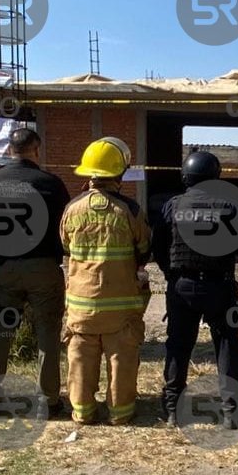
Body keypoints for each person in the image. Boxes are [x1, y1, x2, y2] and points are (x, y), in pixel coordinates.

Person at [0, 127, 72, 415]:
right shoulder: (51, 183)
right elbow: (64, 227)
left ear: (9, 149)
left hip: (5, 267)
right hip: (43, 266)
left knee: (1, 331)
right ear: (37, 149)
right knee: (47, 333)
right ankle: (48, 402)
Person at [153, 150, 238, 428]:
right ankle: (231, 411)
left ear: (186, 177)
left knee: (178, 345)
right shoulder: (230, 207)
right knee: (228, 345)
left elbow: (158, 246)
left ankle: (173, 409)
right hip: (220, 285)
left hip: (182, 286)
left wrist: (172, 274)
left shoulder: (172, 206)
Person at [61, 136, 151, 425]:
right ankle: (120, 413)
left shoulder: (71, 209)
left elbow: (66, 247)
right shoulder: (130, 210)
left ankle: (82, 412)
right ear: (120, 172)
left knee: (80, 360)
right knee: (121, 359)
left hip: (81, 307)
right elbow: (144, 250)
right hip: (121, 310)